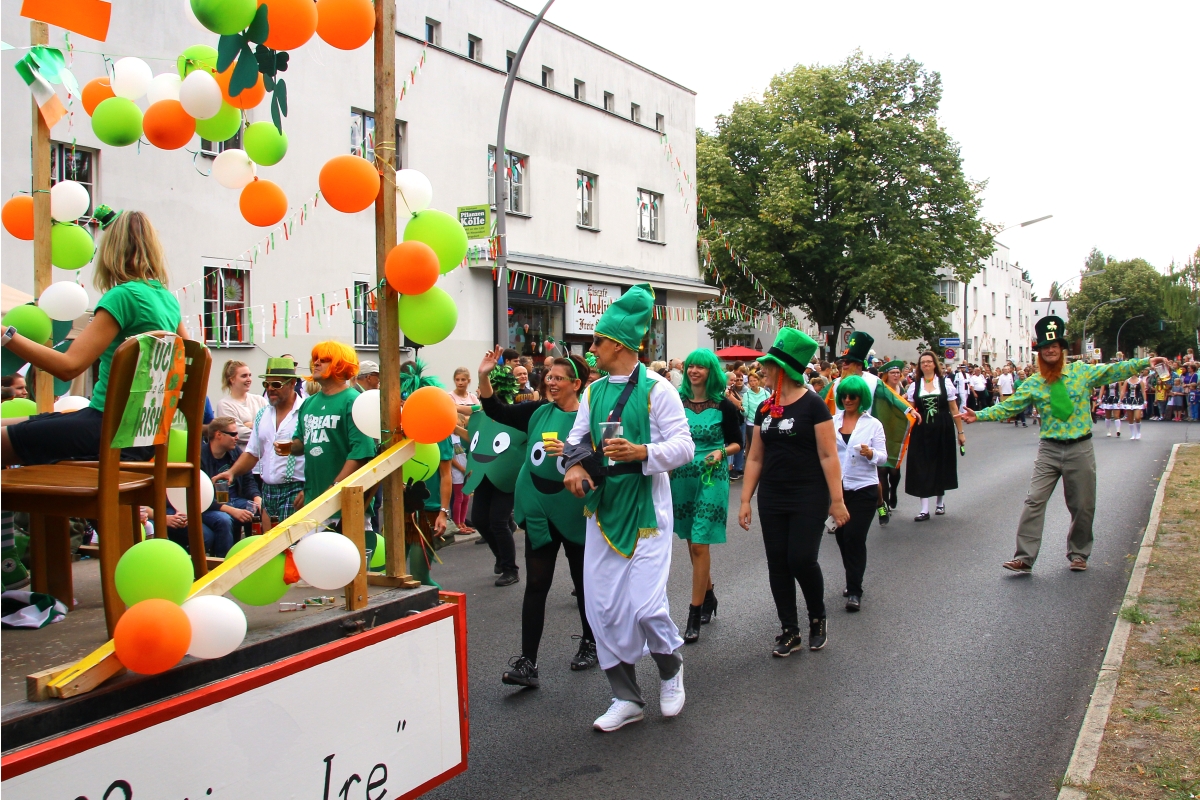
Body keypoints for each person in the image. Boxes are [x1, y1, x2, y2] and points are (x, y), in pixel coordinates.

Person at [0, 210, 185, 589]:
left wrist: (8, 336)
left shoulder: (123, 297)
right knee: (8, 426)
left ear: (109, 251)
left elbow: (69, 367)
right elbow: (189, 364)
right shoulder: (168, 302)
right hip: (138, 438)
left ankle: (7, 561)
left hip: (105, 431)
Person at [562, 284, 694, 732]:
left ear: (617, 344)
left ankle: (671, 670)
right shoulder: (593, 392)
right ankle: (626, 698)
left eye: (597, 341)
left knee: (646, 606)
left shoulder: (659, 389)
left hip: (646, 513)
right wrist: (573, 467)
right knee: (602, 609)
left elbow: (684, 446)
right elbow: (576, 441)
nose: (591, 348)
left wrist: (643, 453)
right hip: (603, 511)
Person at [964, 316, 1166, 572]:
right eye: (1045, 347)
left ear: (1062, 349)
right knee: (1034, 501)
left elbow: (1112, 371)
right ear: (1039, 353)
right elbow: (1009, 407)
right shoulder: (1034, 383)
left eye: (1054, 346)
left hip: (1080, 448)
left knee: (1082, 505)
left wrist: (1145, 362)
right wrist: (979, 415)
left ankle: (1079, 553)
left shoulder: (1081, 372)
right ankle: (1024, 557)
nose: (1050, 350)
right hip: (1049, 449)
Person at [474, 349, 597, 687]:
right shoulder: (538, 411)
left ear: (576, 383)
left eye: (558, 378)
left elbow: (603, 461)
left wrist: (575, 454)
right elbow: (496, 410)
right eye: (548, 376)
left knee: (583, 583)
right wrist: (484, 375)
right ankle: (528, 662)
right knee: (536, 585)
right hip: (540, 512)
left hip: (576, 512)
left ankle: (591, 642)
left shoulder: (588, 419)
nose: (550, 382)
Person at [739, 327, 848, 659]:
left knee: (801, 558)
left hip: (808, 494)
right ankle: (790, 630)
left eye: (768, 365)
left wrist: (837, 500)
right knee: (778, 564)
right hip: (773, 495)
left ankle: (817, 617)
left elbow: (828, 455)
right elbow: (754, 457)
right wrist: (745, 499)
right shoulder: (764, 408)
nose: (763, 370)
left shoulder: (814, 406)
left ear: (783, 369)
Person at [670, 348, 742, 644]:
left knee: (700, 543)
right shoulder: (677, 402)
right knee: (692, 541)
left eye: (700, 367)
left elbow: (737, 443)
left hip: (712, 477)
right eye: (690, 366)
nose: (694, 371)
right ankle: (709, 595)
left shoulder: (724, 405)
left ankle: (694, 612)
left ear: (711, 371)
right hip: (682, 477)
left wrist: (721, 452)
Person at [286, 342, 376, 528]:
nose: (316, 363)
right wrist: (287, 447)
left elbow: (361, 454)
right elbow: (301, 443)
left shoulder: (353, 401)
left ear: (341, 365)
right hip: (313, 505)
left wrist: (334, 488)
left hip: (345, 507)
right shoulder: (309, 403)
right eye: (315, 359)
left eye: (324, 360)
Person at [211, 358, 305, 530]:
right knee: (268, 541)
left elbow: (317, 454)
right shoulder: (263, 414)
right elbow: (252, 453)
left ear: (292, 383)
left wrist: (309, 488)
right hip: (268, 489)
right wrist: (232, 472)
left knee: (290, 543)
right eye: (266, 384)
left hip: (296, 488)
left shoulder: (305, 411)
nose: (270, 389)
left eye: (276, 384)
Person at [831, 375, 887, 612]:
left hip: (864, 487)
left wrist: (871, 453)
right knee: (842, 537)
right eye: (844, 395)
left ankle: (855, 590)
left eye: (852, 396)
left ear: (861, 397)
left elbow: (883, 457)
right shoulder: (832, 422)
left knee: (854, 537)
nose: (847, 399)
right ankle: (851, 577)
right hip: (839, 489)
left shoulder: (873, 424)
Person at [905, 351, 964, 520]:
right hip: (922, 430)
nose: (926, 364)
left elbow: (954, 409)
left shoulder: (945, 383)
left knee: (941, 463)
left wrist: (960, 432)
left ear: (934, 364)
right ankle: (924, 509)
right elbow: (910, 409)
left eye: (929, 361)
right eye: (923, 362)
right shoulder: (915, 385)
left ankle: (940, 503)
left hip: (943, 428)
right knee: (922, 465)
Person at [201, 416, 261, 552]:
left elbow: (248, 481)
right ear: (218, 435)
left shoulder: (235, 452)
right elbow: (200, 498)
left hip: (236, 500)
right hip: (210, 506)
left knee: (259, 509)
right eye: (233, 434)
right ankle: (224, 561)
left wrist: (257, 497)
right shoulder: (200, 457)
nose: (237, 438)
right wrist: (232, 511)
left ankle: (253, 554)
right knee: (224, 520)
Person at [216, 360, 268, 446]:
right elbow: (238, 433)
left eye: (249, 375)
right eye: (244, 376)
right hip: (241, 452)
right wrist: (264, 432)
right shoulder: (225, 404)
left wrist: (251, 425)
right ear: (232, 379)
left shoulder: (260, 400)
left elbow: (273, 424)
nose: (249, 379)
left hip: (264, 452)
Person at [740, 370, 771, 481]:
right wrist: (742, 410)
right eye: (750, 381)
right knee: (754, 446)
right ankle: (750, 469)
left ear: (758, 381)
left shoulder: (766, 393)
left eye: (754, 380)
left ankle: (765, 467)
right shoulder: (747, 395)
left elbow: (770, 407)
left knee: (766, 445)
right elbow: (745, 412)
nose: (753, 383)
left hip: (765, 422)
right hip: (752, 423)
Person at [1120, 369, 1147, 439]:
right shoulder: (1127, 381)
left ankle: (1138, 432)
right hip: (1129, 400)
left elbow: (1143, 391)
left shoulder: (1140, 381)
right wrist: (1120, 400)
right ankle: (1132, 434)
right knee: (1130, 418)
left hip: (1138, 400)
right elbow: (1123, 391)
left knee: (1137, 417)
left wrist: (1145, 401)